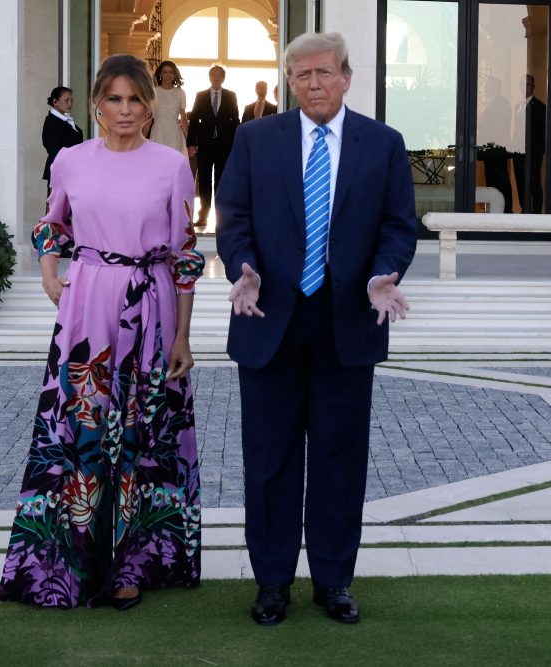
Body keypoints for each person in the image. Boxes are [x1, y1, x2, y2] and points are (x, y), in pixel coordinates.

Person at [216, 32, 417, 626]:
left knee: (339, 457)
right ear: (289, 82)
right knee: (270, 459)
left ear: (346, 77)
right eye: (301, 75)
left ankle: (333, 581)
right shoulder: (255, 139)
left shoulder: (382, 144)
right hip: (268, 318)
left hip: (347, 320)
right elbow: (233, 218)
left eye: (324, 73)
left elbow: (399, 226)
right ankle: (272, 582)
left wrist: (384, 274)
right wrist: (243, 266)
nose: (313, 84)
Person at [0, 54, 205, 611]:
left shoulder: (171, 165)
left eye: (135, 100)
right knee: (81, 430)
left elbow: (186, 255)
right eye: (113, 99)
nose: (124, 110)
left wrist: (182, 336)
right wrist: (49, 275)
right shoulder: (69, 160)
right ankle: (71, 563)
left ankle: (133, 566)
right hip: (87, 307)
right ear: (95, 104)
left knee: (143, 436)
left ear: (149, 106)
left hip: (152, 307)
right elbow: (51, 224)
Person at [187, 65, 240, 230]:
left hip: (224, 145)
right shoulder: (201, 96)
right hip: (205, 144)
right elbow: (194, 119)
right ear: (209, 77)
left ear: (223, 78)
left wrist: (236, 143)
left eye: (219, 76)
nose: (216, 79)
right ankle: (203, 217)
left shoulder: (231, 95)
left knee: (220, 181)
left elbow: (235, 120)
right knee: (204, 181)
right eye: (214, 75)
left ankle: (220, 217)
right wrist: (191, 143)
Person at [478, 76, 513, 212]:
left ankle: (505, 210)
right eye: (486, 86)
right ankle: (495, 210)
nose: (486, 89)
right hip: (491, 151)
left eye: (489, 86)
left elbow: (498, 125)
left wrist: (482, 121)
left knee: (500, 181)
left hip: (496, 151)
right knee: (493, 181)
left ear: (497, 88)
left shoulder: (502, 103)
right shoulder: (491, 103)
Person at [512, 74, 546, 213]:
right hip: (518, 152)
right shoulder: (518, 106)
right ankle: (524, 209)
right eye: (522, 84)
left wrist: (538, 153)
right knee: (520, 183)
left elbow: (542, 133)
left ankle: (537, 212)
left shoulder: (540, 107)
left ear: (533, 86)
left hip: (532, 154)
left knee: (534, 184)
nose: (524, 86)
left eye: (527, 84)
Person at [43, 86, 84, 197]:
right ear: (55, 102)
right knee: (58, 208)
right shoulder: (53, 122)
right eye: (66, 100)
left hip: (71, 172)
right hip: (60, 173)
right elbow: (54, 149)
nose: (70, 103)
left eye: (71, 100)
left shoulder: (64, 120)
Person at [149, 60, 189, 157]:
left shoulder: (180, 93)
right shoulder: (153, 92)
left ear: (174, 74)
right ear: (160, 74)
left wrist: (190, 140)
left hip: (174, 133)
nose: (168, 75)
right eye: (165, 72)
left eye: (171, 72)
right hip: (158, 132)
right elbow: (148, 116)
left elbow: (183, 118)